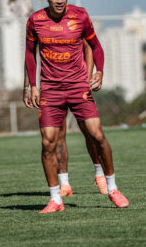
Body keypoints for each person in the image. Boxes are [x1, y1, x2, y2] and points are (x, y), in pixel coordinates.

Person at [25, 0, 129, 214]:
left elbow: (96, 46)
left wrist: (99, 72)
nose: (59, 1)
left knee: (97, 135)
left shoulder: (80, 15)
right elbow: (30, 54)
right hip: (50, 90)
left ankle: (112, 187)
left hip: (78, 87)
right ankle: (55, 199)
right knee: (47, 142)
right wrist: (31, 85)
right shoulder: (35, 20)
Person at [23, 39, 108, 197]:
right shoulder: (41, 24)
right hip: (53, 88)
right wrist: (28, 86)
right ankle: (65, 184)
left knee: (90, 132)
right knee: (57, 135)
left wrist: (87, 79)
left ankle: (99, 174)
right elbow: (30, 54)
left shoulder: (75, 18)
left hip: (78, 85)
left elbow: (89, 48)